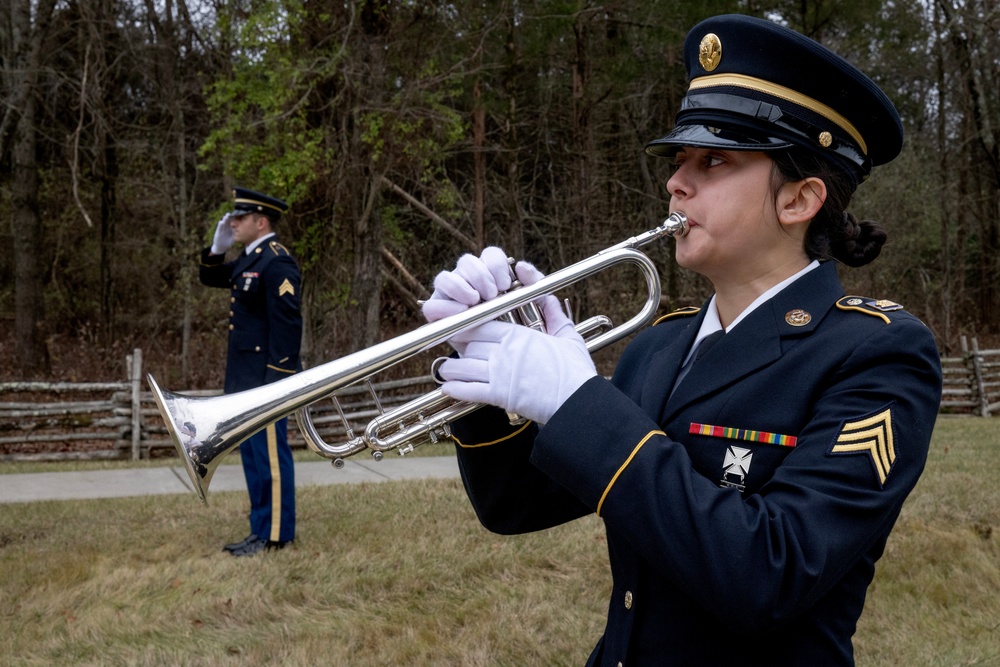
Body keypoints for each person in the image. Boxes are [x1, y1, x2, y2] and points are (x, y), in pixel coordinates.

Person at [422, 14, 943, 667]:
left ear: (800, 199)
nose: (676, 182)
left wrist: (581, 402)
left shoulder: (877, 354)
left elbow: (770, 572)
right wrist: (480, 365)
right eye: (678, 161)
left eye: (714, 160)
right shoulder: (659, 344)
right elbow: (513, 504)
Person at [199, 187, 302, 557]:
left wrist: (276, 384)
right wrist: (216, 250)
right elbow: (210, 277)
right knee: (254, 457)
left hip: (266, 380)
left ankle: (276, 535)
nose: (233, 223)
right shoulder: (250, 259)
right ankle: (260, 530)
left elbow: (287, 328)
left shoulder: (277, 262)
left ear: (261, 222)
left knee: (270, 457)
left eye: (240, 219)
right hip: (246, 381)